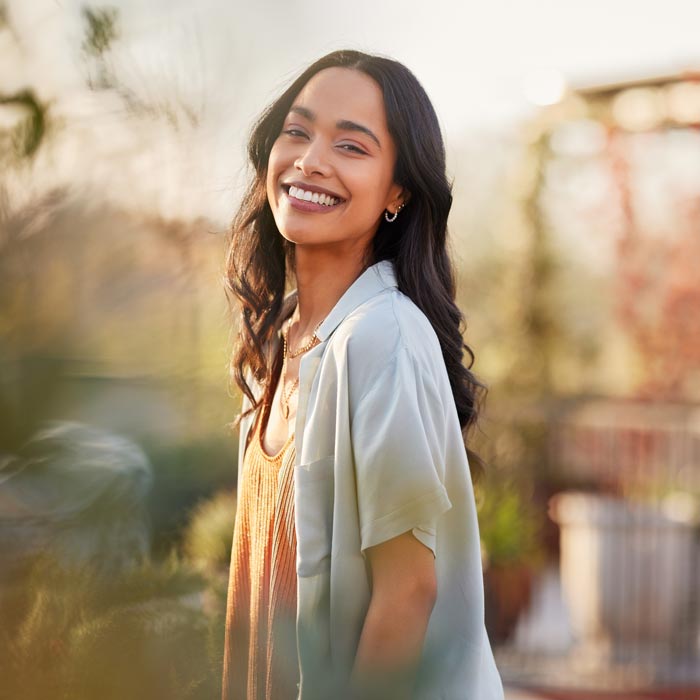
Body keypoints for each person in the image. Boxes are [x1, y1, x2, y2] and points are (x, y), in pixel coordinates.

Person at [221, 49, 505, 700]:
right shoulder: (277, 345)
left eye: (351, 146)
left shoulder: (383, 337)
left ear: (397, 192)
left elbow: (406, 593)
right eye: (297, 131)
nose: (311, 160)